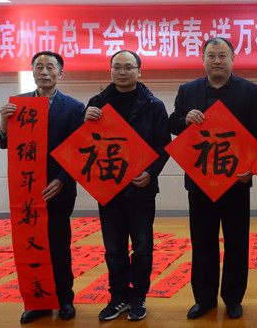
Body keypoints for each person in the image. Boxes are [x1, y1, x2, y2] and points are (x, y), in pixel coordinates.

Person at [168, 37, 257, 320]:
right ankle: (205, 299)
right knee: (202, 242)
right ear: (203, 60)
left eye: (223, 55)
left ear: (233, 59)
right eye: (211, 56)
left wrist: (252, 169)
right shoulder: (188, 90)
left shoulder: (249, 90)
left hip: (236, 181)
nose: (217, 61)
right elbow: (172, 123)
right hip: (200, 181)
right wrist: (185, 120)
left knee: (237, 242)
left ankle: (233, 299)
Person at [0, 51, 84, 324]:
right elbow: (2, 142)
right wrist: (3, 123)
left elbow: (78, 150)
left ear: (60, 73)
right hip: (27, 190)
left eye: (50, 67)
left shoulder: (74, 107)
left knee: (58, 245)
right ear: (32, 72)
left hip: (58, 189)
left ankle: (65, 299)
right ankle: (38, 301)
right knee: (30, 247)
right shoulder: (19, 104)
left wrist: (61, 180)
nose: (44, 72)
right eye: (38, 67)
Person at [85, 50, 170, 321]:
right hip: (108, 187)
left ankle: (138, 297)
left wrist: (151, 172)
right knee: (113, 247)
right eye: (117, 67)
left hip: (140, 187)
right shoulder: (97, 103)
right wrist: (84, 120)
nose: (122, 72)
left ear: (139, 72)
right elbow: (84, 141)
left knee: (142, 247)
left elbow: (163, 145)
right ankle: (118, 297)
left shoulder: (153, 105)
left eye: (128, 67)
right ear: (110, 70)